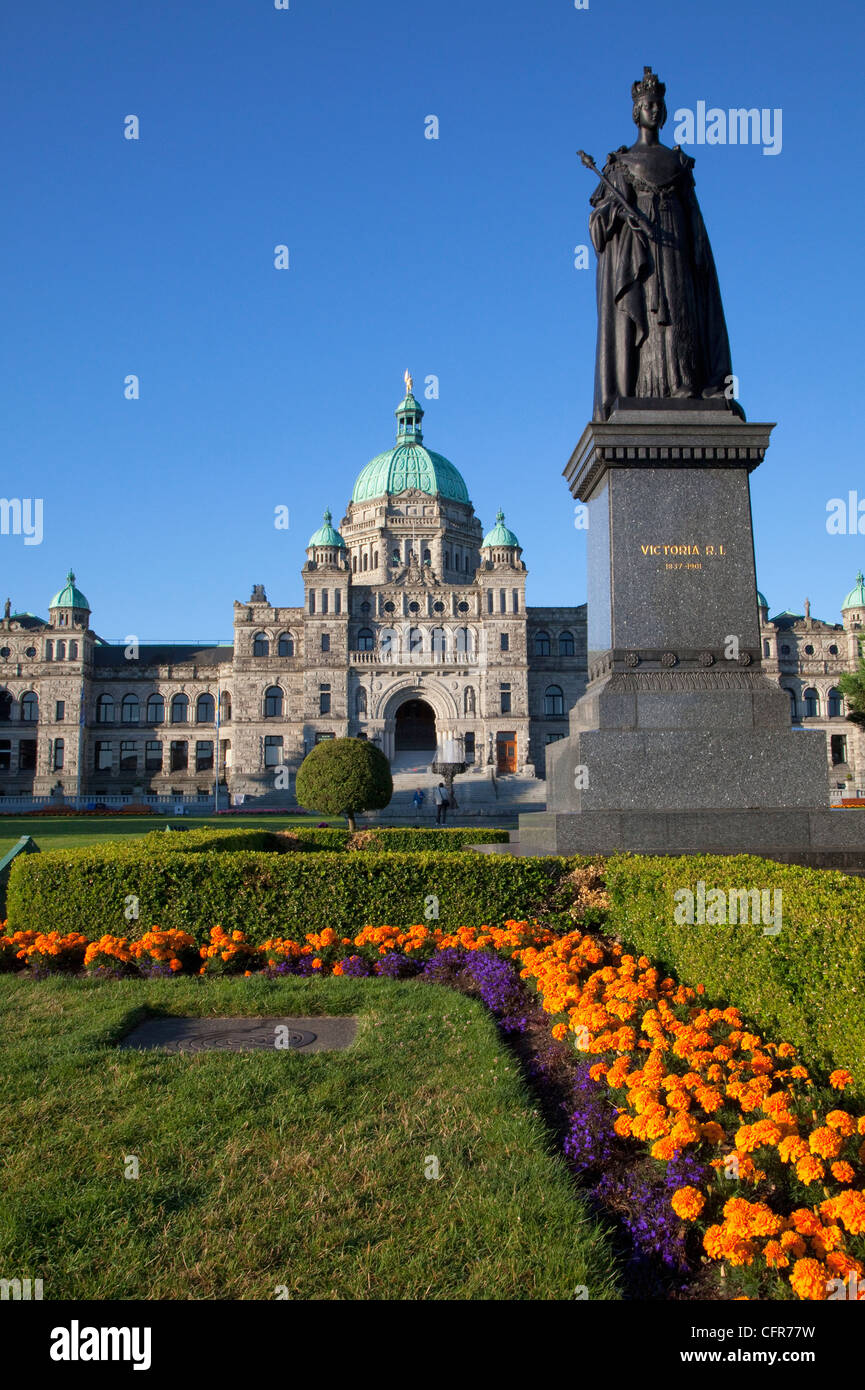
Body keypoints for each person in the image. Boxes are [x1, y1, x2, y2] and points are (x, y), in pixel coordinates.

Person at [588, 67, 735, 422]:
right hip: (642, 254)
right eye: (647, 104)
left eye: (658, 104)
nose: (653, 109)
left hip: (676, 247)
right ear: (636, 111)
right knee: (650, 315)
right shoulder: (620, 165)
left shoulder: (679, 163)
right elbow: (598, 222)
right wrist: (623, 217)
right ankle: (644, 389)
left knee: (682, 310)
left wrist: (699, 254)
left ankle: (687, 383)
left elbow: (695, 218)